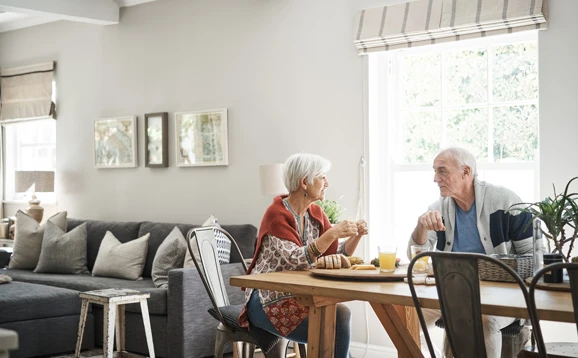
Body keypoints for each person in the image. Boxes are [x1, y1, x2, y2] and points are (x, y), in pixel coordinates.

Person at [408, 147, 543, 358]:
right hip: (453, 294)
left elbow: (535, 257)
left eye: (442, 171)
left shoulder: (506, 201)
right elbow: (415, 259)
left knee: (483, 320)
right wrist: (422, 227)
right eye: (434, 171)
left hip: (503, 297)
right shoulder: (438, 209)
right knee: (406, 316)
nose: (435, 178)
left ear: (466, 171)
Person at [238, 153, 368, 358]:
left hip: (298, 295)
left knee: (340, 316)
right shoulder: (276, 215)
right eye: (322, 177)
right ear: (304, 182)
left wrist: (356, 236)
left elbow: (336, 253)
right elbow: (297, 259)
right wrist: (333, 232)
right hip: (265, 300)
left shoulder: (314, 213)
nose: (327, 182)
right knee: (336, 327)